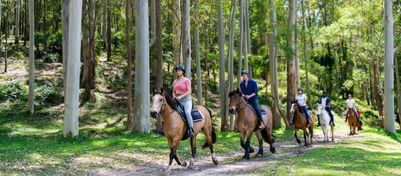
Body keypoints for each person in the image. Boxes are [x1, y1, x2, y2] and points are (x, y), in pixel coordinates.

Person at [173, 65, 195, 138]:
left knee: (188, 113)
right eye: (177, 70)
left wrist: (181, 96)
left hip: (186, 100)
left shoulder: (186, 80)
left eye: (179, 70)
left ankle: (191, 130)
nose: (178, 72)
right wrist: (174, 96)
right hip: (178, 101)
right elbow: (174, 91)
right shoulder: (175, 81)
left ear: (182, 72)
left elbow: (189, 91)